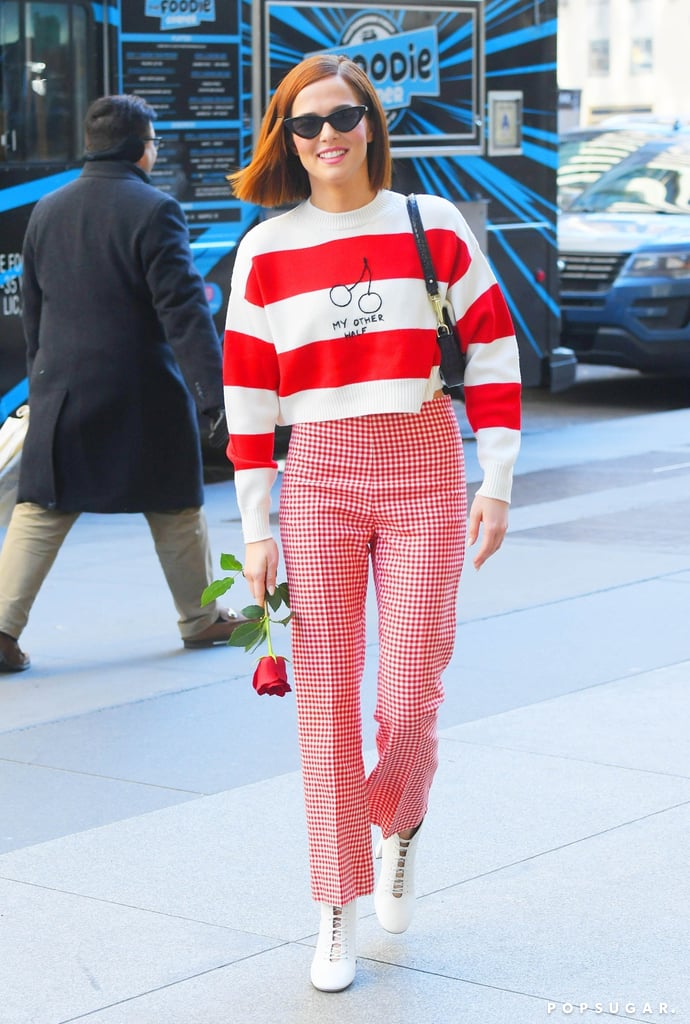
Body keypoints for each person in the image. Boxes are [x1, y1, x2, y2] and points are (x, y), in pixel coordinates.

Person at [223, 55, 521, 992]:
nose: (326, 137)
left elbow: (494, 342)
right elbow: (247, 394)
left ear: (371, 123)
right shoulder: (265, 248)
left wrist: (499, 476)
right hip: (317, 475)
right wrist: (256, 523)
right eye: (306, 124)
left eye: (344, 117)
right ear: (287, 137)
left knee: (418, 672)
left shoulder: (430, 226)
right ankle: (333, 905)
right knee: (322, 700)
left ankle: (400, 820)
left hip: (425, 462)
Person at [0, 94, 245, 675]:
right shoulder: (155, 209)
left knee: (40, 509)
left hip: (60, 389)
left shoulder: (46, 210)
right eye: (154, 142)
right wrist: (214, 397)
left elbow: (32, 311)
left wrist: (42, 379)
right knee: (177, 506)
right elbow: (183, 312)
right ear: (141, 148)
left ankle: (2, 629)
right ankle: (200, 617)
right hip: (144, 396)